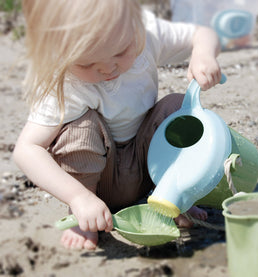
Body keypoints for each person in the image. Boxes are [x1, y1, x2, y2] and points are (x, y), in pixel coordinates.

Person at [13, 0, 222, 250]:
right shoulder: (65, 83)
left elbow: (203, 33)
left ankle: (173, 195)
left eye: (121, 52)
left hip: (149, 165)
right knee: (79, 128)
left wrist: (203, 54)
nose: (109, 68)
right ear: (56, 52)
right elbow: (26, 149)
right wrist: (78, 197)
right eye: (86, 64)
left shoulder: (143, 32)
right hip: (97, 183)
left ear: (135, 25)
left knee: (177, 106)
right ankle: (83, 218)